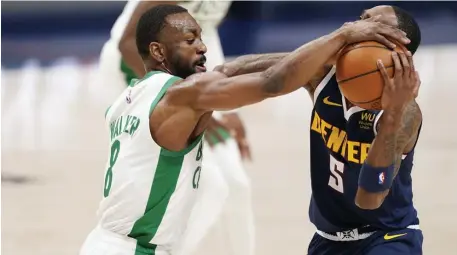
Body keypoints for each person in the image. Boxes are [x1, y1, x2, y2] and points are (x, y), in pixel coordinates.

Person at [79, 4, 409, 255]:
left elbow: (225, 72)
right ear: (158, 50)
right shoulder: (182, 96)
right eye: (191, 41)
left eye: (201, 37)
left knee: (221, 186)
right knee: (221, 186)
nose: (203, 47)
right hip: (134, 249)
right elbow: (274, 83)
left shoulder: (124, 102)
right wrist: (340, 38)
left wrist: (213, 108)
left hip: (104, 242)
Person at [215, 5, 423, 255]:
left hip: (388, 238)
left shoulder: (405, 113)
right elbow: (230, 72)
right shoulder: (323, 75)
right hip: (327, 240)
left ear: (397, 52)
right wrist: (335, 41)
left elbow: (370, 199)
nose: (357, 26)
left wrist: (393, 114)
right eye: (361, 20)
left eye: (373, 27)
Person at [98, 1, 255, 255]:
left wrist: (228, 108)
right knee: (211, 186)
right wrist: (192, 101)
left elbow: (205, 30)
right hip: (132, 71)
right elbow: (128, 44)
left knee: (236, 184)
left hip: (180, 76)